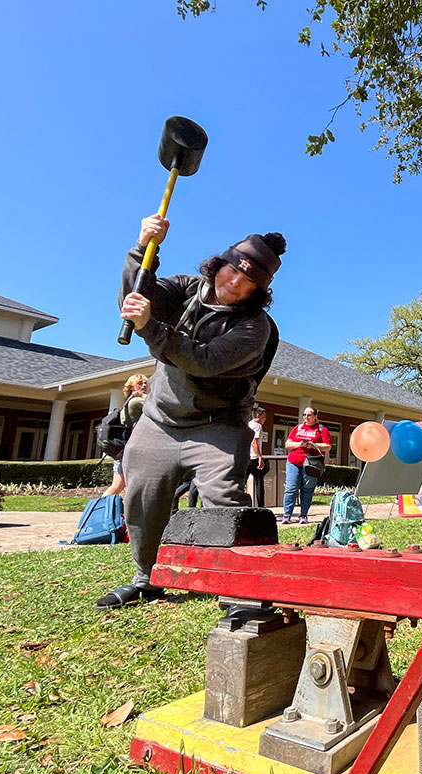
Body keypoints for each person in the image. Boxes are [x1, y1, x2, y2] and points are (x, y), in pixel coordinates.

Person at [96, 214, 283, 610]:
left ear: (258, 290)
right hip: (159, 420)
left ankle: (239, 586)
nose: (234, 283)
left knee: (224, 499)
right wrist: (143, 248)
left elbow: (202, 360)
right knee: (142, 500)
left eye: (247, 281)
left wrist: (151, 329)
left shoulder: (256, 328)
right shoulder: (185, 289)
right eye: (232, 270)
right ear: (220, 265)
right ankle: (147, 577)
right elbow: (137, 298)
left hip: (218, 426)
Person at [102, 373, 150, 498]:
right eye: (139, 383)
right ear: (132, 388)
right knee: (134, 485)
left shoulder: (130, 402)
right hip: (134, 450)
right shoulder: (136, 402)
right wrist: (145, 395)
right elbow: (157, 406)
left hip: (124, 448)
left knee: (118, 485)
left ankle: (97, 510)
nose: (144, 385)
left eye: (145, 382)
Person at [281, 407, 330, 524]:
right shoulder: (298, 428)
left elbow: (328, 446)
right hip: (294, 461)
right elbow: (288, 444)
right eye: (304, 415)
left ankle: (303, 516)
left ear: (315, 416)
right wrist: (299, 444)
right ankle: (287, 516)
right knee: (291, 488)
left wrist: (314, 445)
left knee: (307, 490)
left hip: (311, 463)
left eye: (309, 415)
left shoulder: (321, 429)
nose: (306, 417)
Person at [246, 406, 269, 507]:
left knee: (243, 481)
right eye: (264, 417)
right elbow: (254, 441)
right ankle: (261, 506)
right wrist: (260, 457)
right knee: (259, 482)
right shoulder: (257, 426)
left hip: (246, 457)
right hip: (254, 457)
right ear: (258, 415)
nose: (265, 419)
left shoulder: (248, 424)